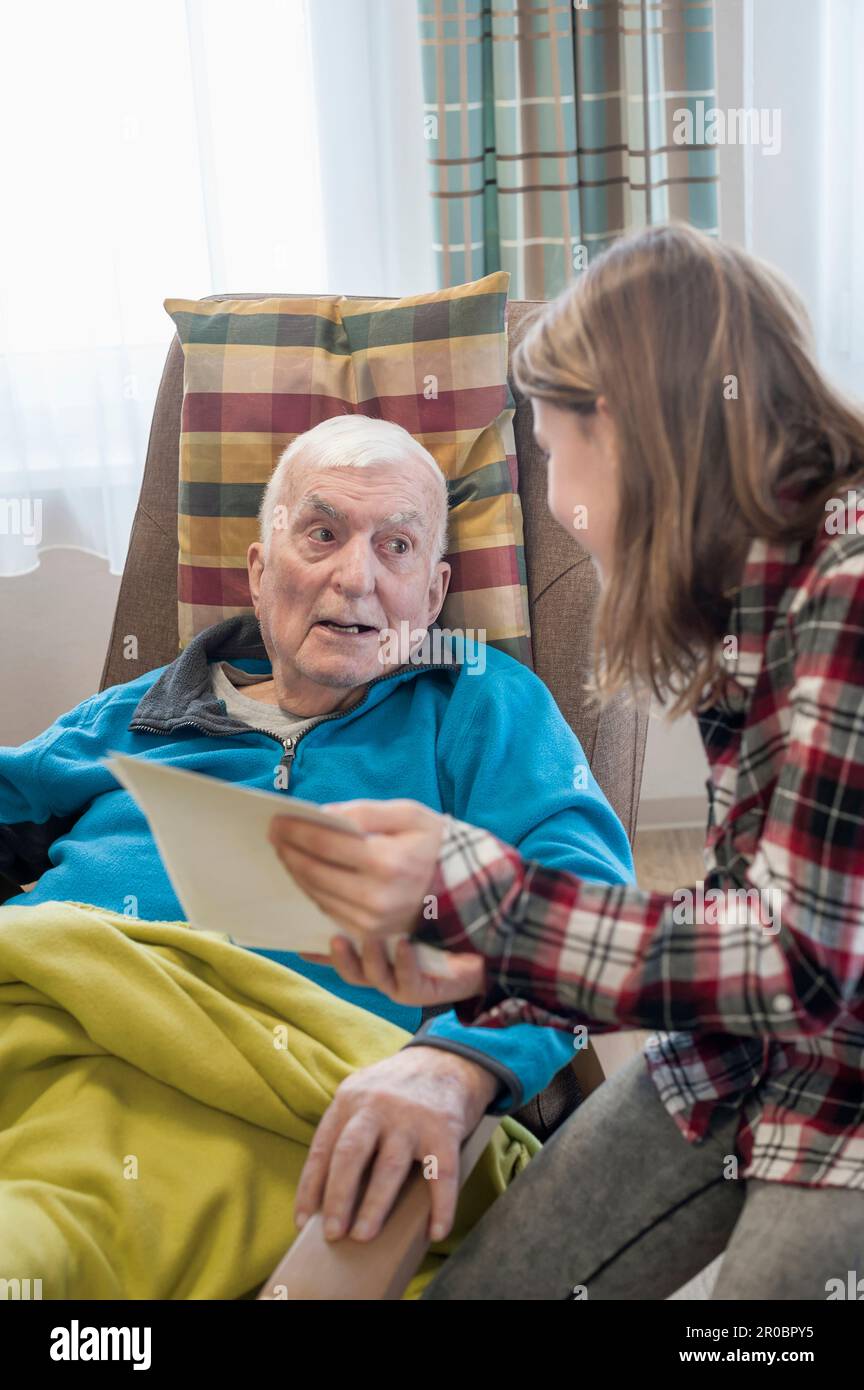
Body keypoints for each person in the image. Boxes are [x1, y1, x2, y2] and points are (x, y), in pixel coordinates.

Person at [270, 224, 864, 1299]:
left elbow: (803, 964)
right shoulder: (755, 594)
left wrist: (485, 896)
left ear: (635, 432)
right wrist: (490, 995)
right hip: (754, 1051)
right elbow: (743, 914)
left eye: (552, 451)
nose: (551, 500)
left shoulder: (849, 590)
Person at [0, 413, 634, 1267]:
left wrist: (460, 1062)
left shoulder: (480, 701)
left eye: (397, 547)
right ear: (261, 573)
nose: (355, 577)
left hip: (299, 1096)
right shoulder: (136, 708)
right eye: (323, 533)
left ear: (435, 595)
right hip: (51, 1025)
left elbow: (586, 905)